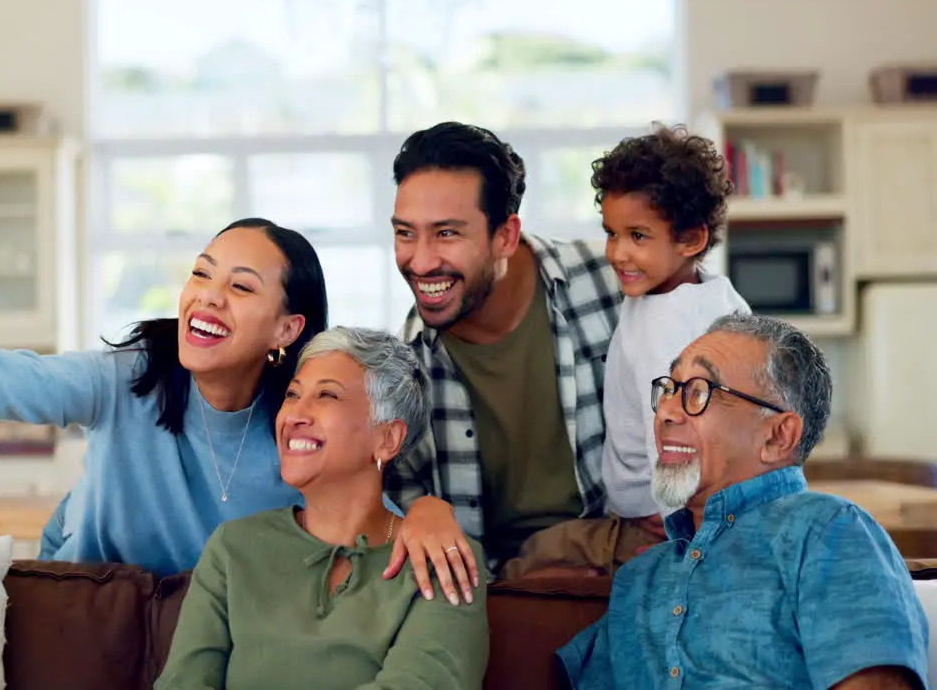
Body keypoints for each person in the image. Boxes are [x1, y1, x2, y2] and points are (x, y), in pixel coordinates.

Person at [0, 218, 327, 576]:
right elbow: (5, 378)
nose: (208, 295)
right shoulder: (127, 380)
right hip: (86, 615)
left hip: (212, 643)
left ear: (286, 329)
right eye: (201, 273)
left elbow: (365, 516)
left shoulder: (305, 431)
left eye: (241, 287)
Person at [557, 313, 930, 689]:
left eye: (698, 392)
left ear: (777, 437)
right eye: (669, 388)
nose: (666, 412)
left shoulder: (827, 531)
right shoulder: (640, 579)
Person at [156, 326, 489, 690]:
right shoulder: (233, 548)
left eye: (327, 395)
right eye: (292, 394)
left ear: (387, 438)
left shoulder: (443, 560)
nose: (294, 414)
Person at [499, 124, 752, 580]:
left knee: (526, 560)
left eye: (638, 236)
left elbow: (674, 432)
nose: (616, 253)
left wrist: (679, 533)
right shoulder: (718, 296)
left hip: (652, 523)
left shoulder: (667, 329)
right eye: (611, 233)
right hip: (703, 503)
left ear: (692, 240)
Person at [382, 121, 623, 592]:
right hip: (499, 589)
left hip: (630, 559)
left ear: (506, 237)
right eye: (405, 233)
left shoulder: (613, 281)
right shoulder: (404, 369)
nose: (422, 261)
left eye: (447, 233)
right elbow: (402, 508)